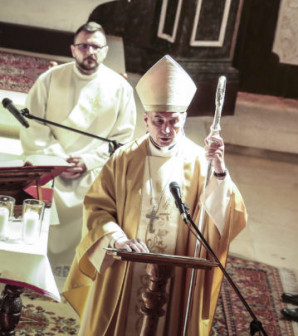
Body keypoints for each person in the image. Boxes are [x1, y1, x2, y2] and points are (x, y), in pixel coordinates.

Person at [63, 55, 248, 335]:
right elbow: (97, 209)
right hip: (127, 266)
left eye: (173, 121)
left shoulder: (202, 162)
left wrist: (220, 170)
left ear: (184, 118)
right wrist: (118, 239)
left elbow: (226, 218)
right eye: (158, 121)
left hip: (177, 269)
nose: (166, 130)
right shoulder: (124, 159)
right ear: (146, 120)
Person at [20, 21, 136, 282]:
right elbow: (33, 127)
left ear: (105, 51)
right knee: (36, 187)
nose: (89, 52)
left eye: (96, 46)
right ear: (73, 49)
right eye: (83, 46)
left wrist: (88, 161)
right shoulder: (50, 79)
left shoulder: (120, 89)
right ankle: (36, 271)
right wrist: (58, 160)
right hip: (51, 164)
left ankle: (77, 275)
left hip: (94, 169)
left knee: (99, 197)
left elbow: (122, 139)